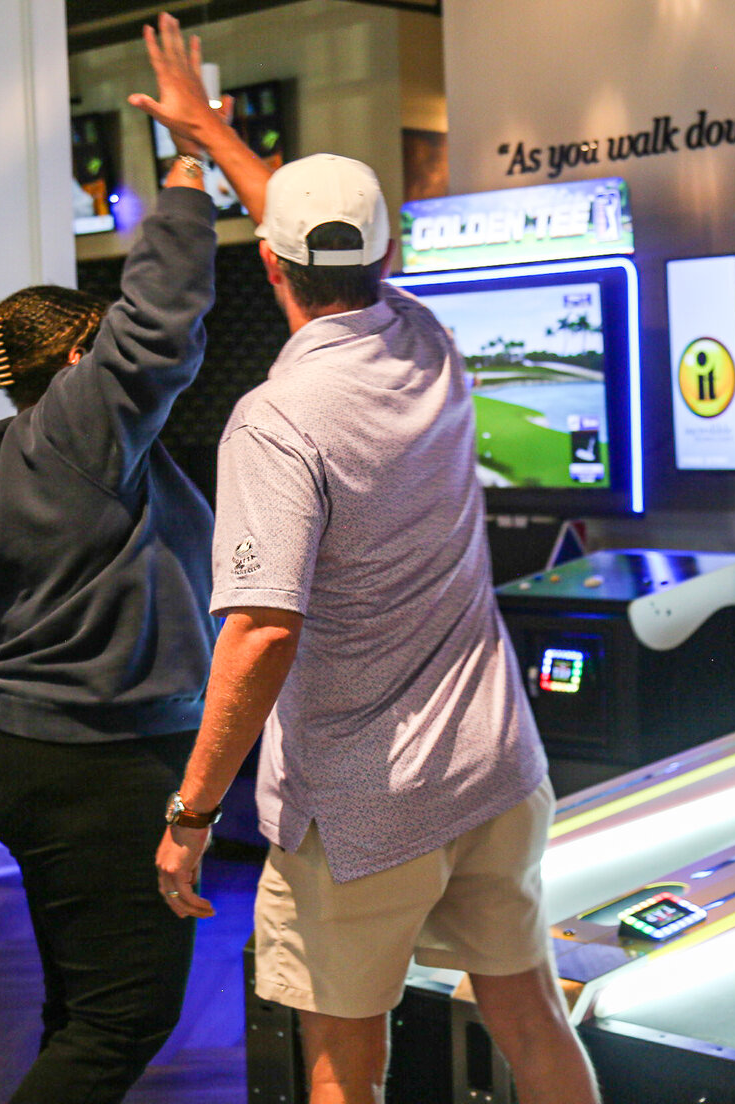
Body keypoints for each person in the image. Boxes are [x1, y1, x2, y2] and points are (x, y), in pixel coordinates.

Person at [148, 148, 601, 1104]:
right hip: (494, 772)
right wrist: (218, 133)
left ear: (268, 265)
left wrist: (190, 815)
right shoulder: (428, 341)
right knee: (530, 1018)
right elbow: (326, 223)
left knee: (344, 1062)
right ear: (386, 263)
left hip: (362, 810)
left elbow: (263, 636)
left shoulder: (275, 420)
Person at [0, 13, 258, 1104]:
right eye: (103, 339)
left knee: (80, 998)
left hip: (19, 756)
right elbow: (159, 316)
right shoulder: (77, 436)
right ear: (78, 360)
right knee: (125, 1018)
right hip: (98, 771)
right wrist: (188, 156)